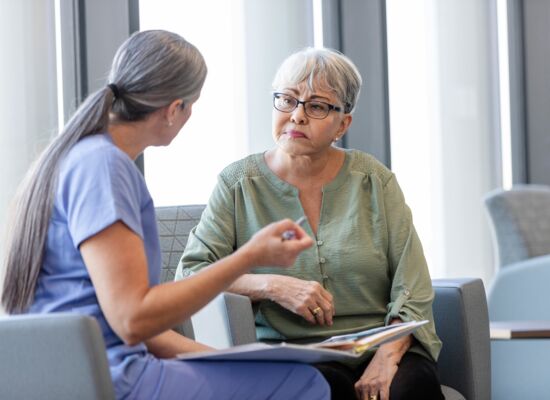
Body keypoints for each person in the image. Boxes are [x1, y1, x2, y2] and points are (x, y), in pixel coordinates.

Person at [0, 31, 330, 400]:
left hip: (79, 369)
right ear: (175, 109)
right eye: (192, 106)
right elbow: (133, 320)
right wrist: (250, 257)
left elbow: (128, 321)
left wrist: (223, 359)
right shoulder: (105, 168)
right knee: (305, 382)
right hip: (111, 377)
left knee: (275, 375)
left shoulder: (78, 158)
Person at [177, 47, 445, 400]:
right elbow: (192, 275)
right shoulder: (237, 184)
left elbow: (413, 285)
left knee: (412, 388)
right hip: (295, 354)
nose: (297, 116)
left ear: (343, 123)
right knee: (323, 388)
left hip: (379, 346)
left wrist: (386, 357)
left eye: (317, 106)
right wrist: (271, 286)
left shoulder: (374, 180)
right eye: (287, 100)